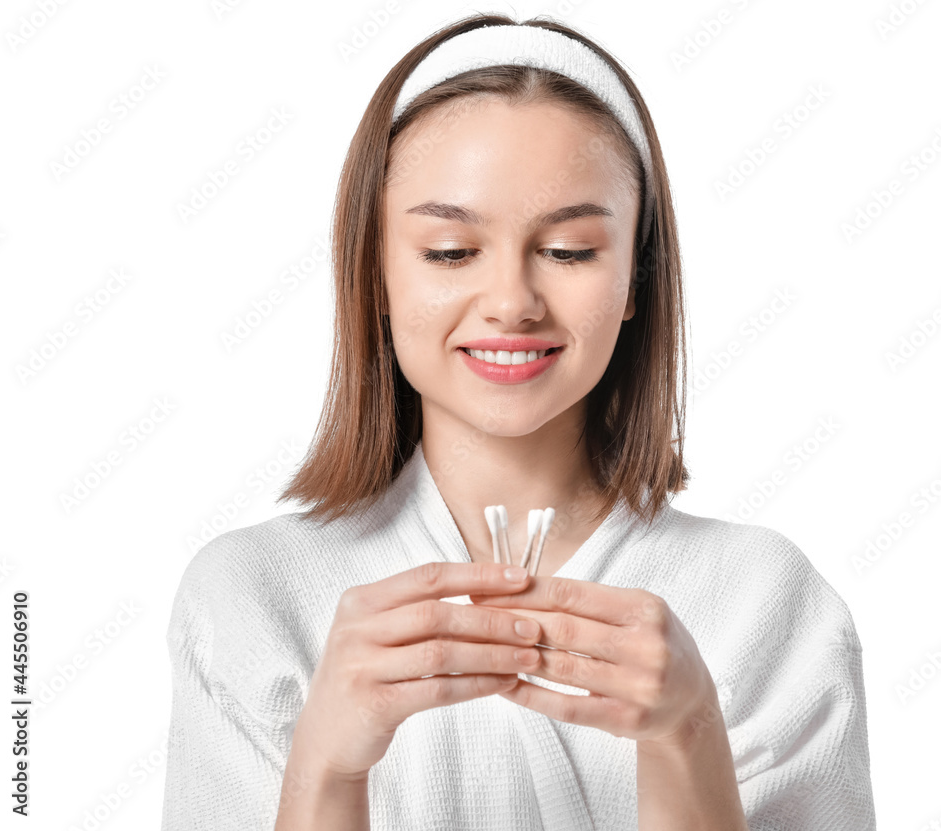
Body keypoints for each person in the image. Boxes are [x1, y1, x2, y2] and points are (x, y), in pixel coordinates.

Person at [161, 13, 876, 831]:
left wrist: (688, 734)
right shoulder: (251, 597)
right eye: (450, 251)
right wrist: (324, 766)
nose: (511, 302)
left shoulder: (768, 602)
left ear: (638, 276)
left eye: (570, 251)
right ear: (375, 273)